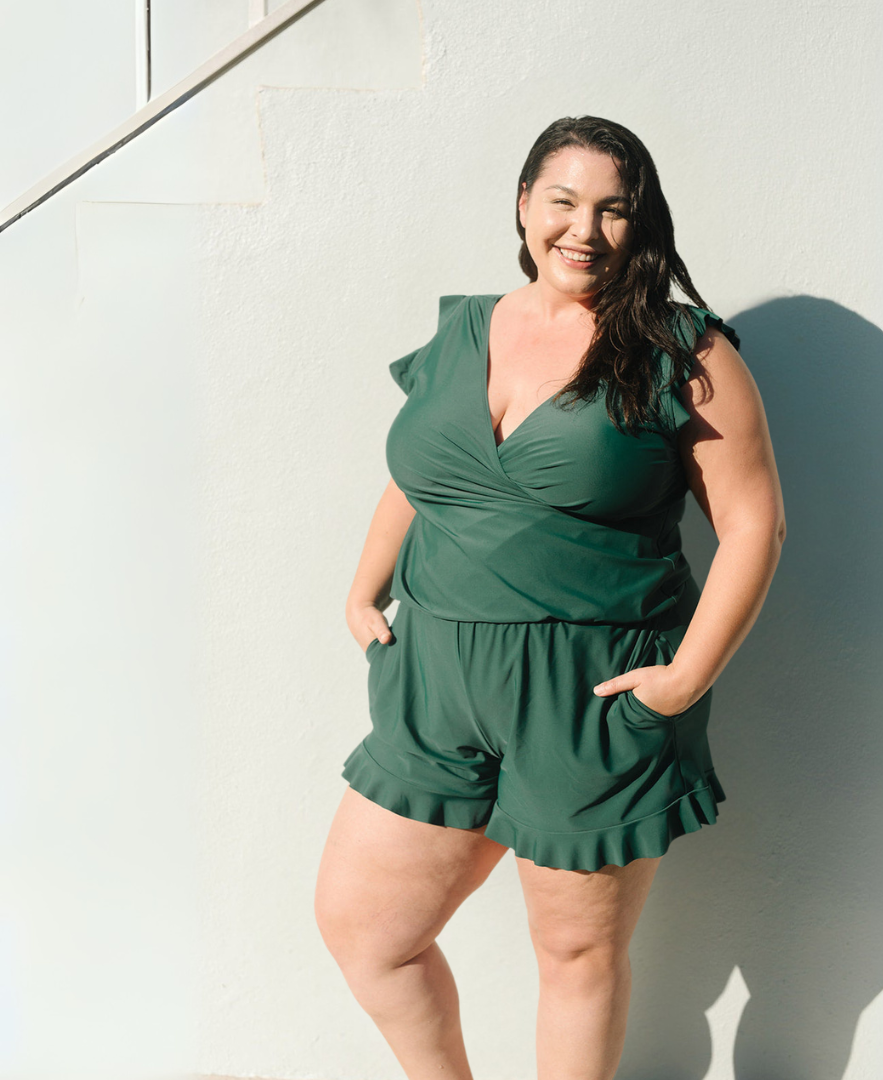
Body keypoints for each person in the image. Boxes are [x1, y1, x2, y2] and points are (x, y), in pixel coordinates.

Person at [314, 115, 786, 1080]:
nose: (585, 229)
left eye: (615, 209)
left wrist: (684, 680)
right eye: (564, 201)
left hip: (592, 698)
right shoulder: (465, 330)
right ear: (525, 203)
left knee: (574, 956)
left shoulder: (684, 352)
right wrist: (364, 587)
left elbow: (754, 527)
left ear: (642, 222)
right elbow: (425, 472)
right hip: (435, 684)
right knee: (368, 932)